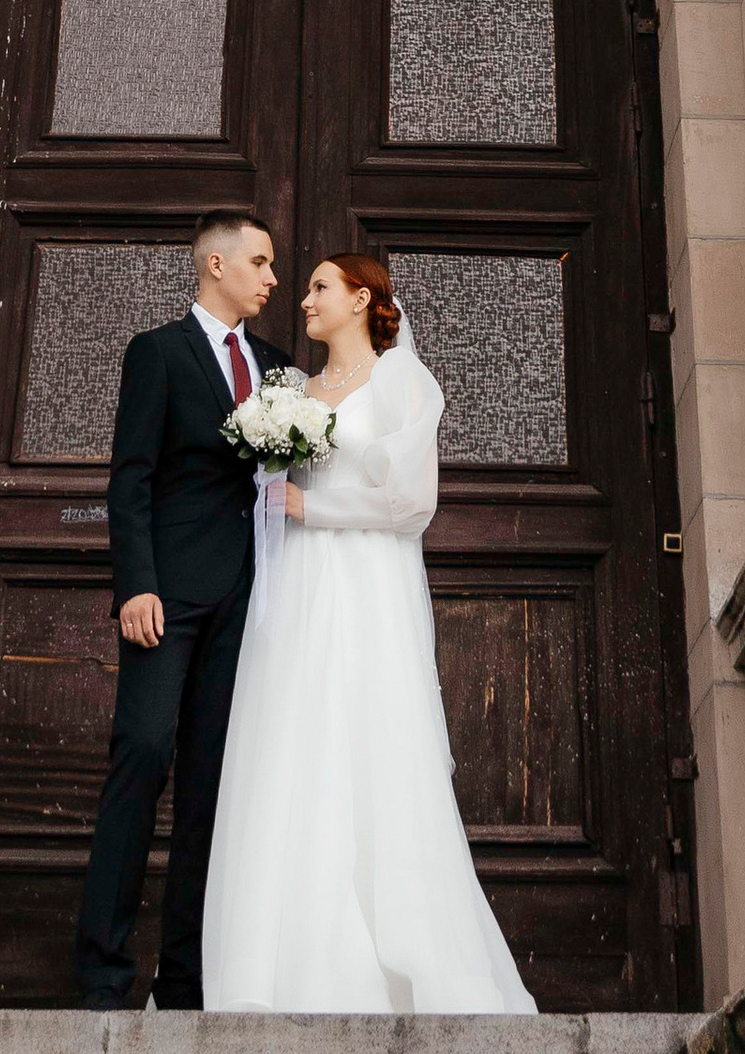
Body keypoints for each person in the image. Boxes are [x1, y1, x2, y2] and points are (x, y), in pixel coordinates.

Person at [201, 250, 535, 1014]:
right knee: (295, 746)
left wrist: (310, 511)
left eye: (319, 287)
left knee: (368, 743)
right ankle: (285, 965)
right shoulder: (295, 391)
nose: (304, 299)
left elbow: (412, 506)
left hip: (365, 583)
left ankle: (401, 958)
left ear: (361, 298)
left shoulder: (397, 380)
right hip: (298, 590)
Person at [74, 207, 287, 1009]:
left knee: (211, 785)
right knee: (143, 756)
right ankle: (101, 973)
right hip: (167, 597)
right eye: (260, 263)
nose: (273, 279)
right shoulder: (158, 353)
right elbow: (130, 476)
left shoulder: (276, 368)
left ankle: (187, 982)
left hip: (249, 599)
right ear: (216, 266)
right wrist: (136, 583)